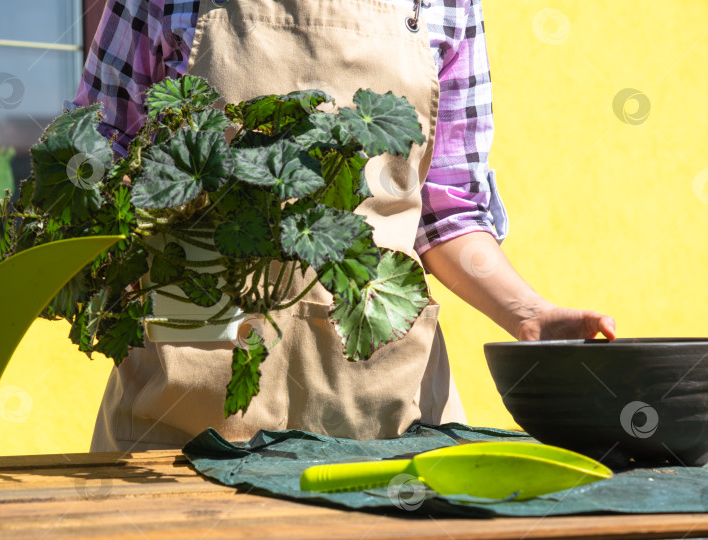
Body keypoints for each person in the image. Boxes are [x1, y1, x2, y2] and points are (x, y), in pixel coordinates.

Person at [71, 0, 617, 451]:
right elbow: (92, 167)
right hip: (186, 402)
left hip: (381, 406)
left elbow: (447, 215)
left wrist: (528, 314)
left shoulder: (449, 7)